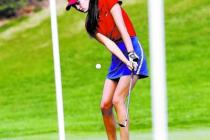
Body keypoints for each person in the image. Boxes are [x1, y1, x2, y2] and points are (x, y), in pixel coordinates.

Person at [66, 0, 149, 139]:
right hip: (118, 56)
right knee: (105, 105)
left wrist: (131, 55)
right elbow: (109, 44)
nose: (78, 7)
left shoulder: (107, 1)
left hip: (131, 47)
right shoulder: (90, 24)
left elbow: (122, 28)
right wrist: (124, 60)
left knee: (118, 99)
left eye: (78, 2)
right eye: (74, 6)